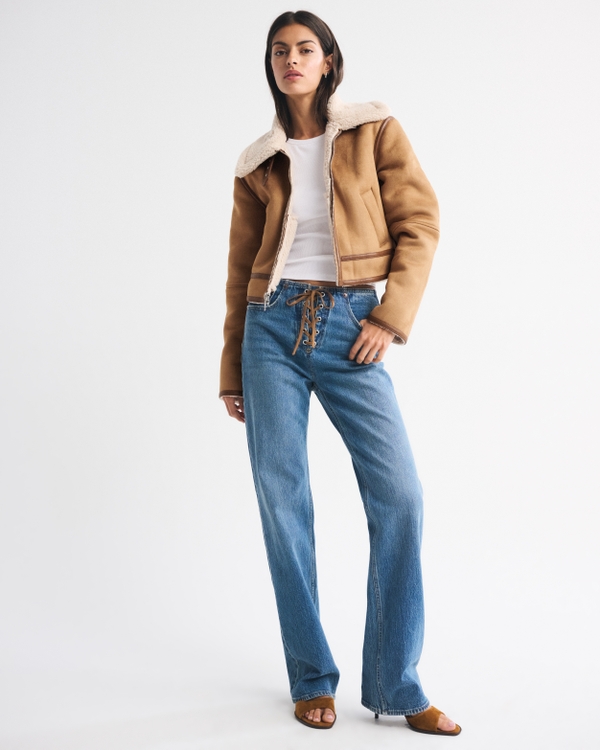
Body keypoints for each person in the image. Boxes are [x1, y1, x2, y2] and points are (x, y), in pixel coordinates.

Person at [219, 10, 460, 737]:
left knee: (401, 497)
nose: (291, 60)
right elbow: (239, 271)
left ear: (328, 60)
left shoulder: (373, 129)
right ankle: (310, 678)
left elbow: (421, 221)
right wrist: (231, 367)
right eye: (279, 51)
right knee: (283, 502)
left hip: (354, 323)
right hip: (269, 328)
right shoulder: (257, 160)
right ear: (271, 65)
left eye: (305, 49)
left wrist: (390, 316)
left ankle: (396, 683)